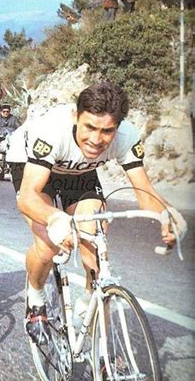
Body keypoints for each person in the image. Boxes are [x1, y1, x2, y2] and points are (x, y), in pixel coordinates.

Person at [17, 82, 187, 344]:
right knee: (48, 243)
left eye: (107, 131)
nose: (96, 140)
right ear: (76, 117)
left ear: (118, 127)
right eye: (90, 128)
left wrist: (169, 215)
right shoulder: (52, 129)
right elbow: (28, 196)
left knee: (94, 242)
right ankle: (35, 297)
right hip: (38, 171)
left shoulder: (127, 136)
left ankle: (93, 315)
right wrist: (55, 218)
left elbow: (144, 192)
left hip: (81, 172)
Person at [0, 104, 21, 168]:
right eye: (4, 111)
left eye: (7, 111)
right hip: (0, 138)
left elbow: (19, 128)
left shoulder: (14, 119)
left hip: (12, 138)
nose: (6, 113)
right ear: (1, 112)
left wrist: (19, 134)